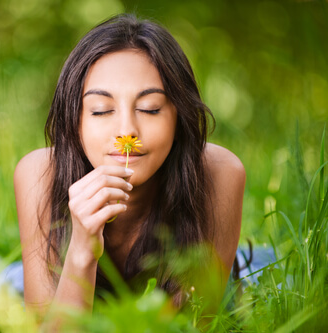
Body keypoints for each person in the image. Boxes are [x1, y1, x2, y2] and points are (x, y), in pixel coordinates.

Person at [14, 13, 245, 322]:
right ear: (75, 120)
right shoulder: (39, 174)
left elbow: (193, 324)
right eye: (101, 110)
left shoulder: (220, 173)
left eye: (150, 109)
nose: (126, 130)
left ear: (180, 116)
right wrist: (81, 250)